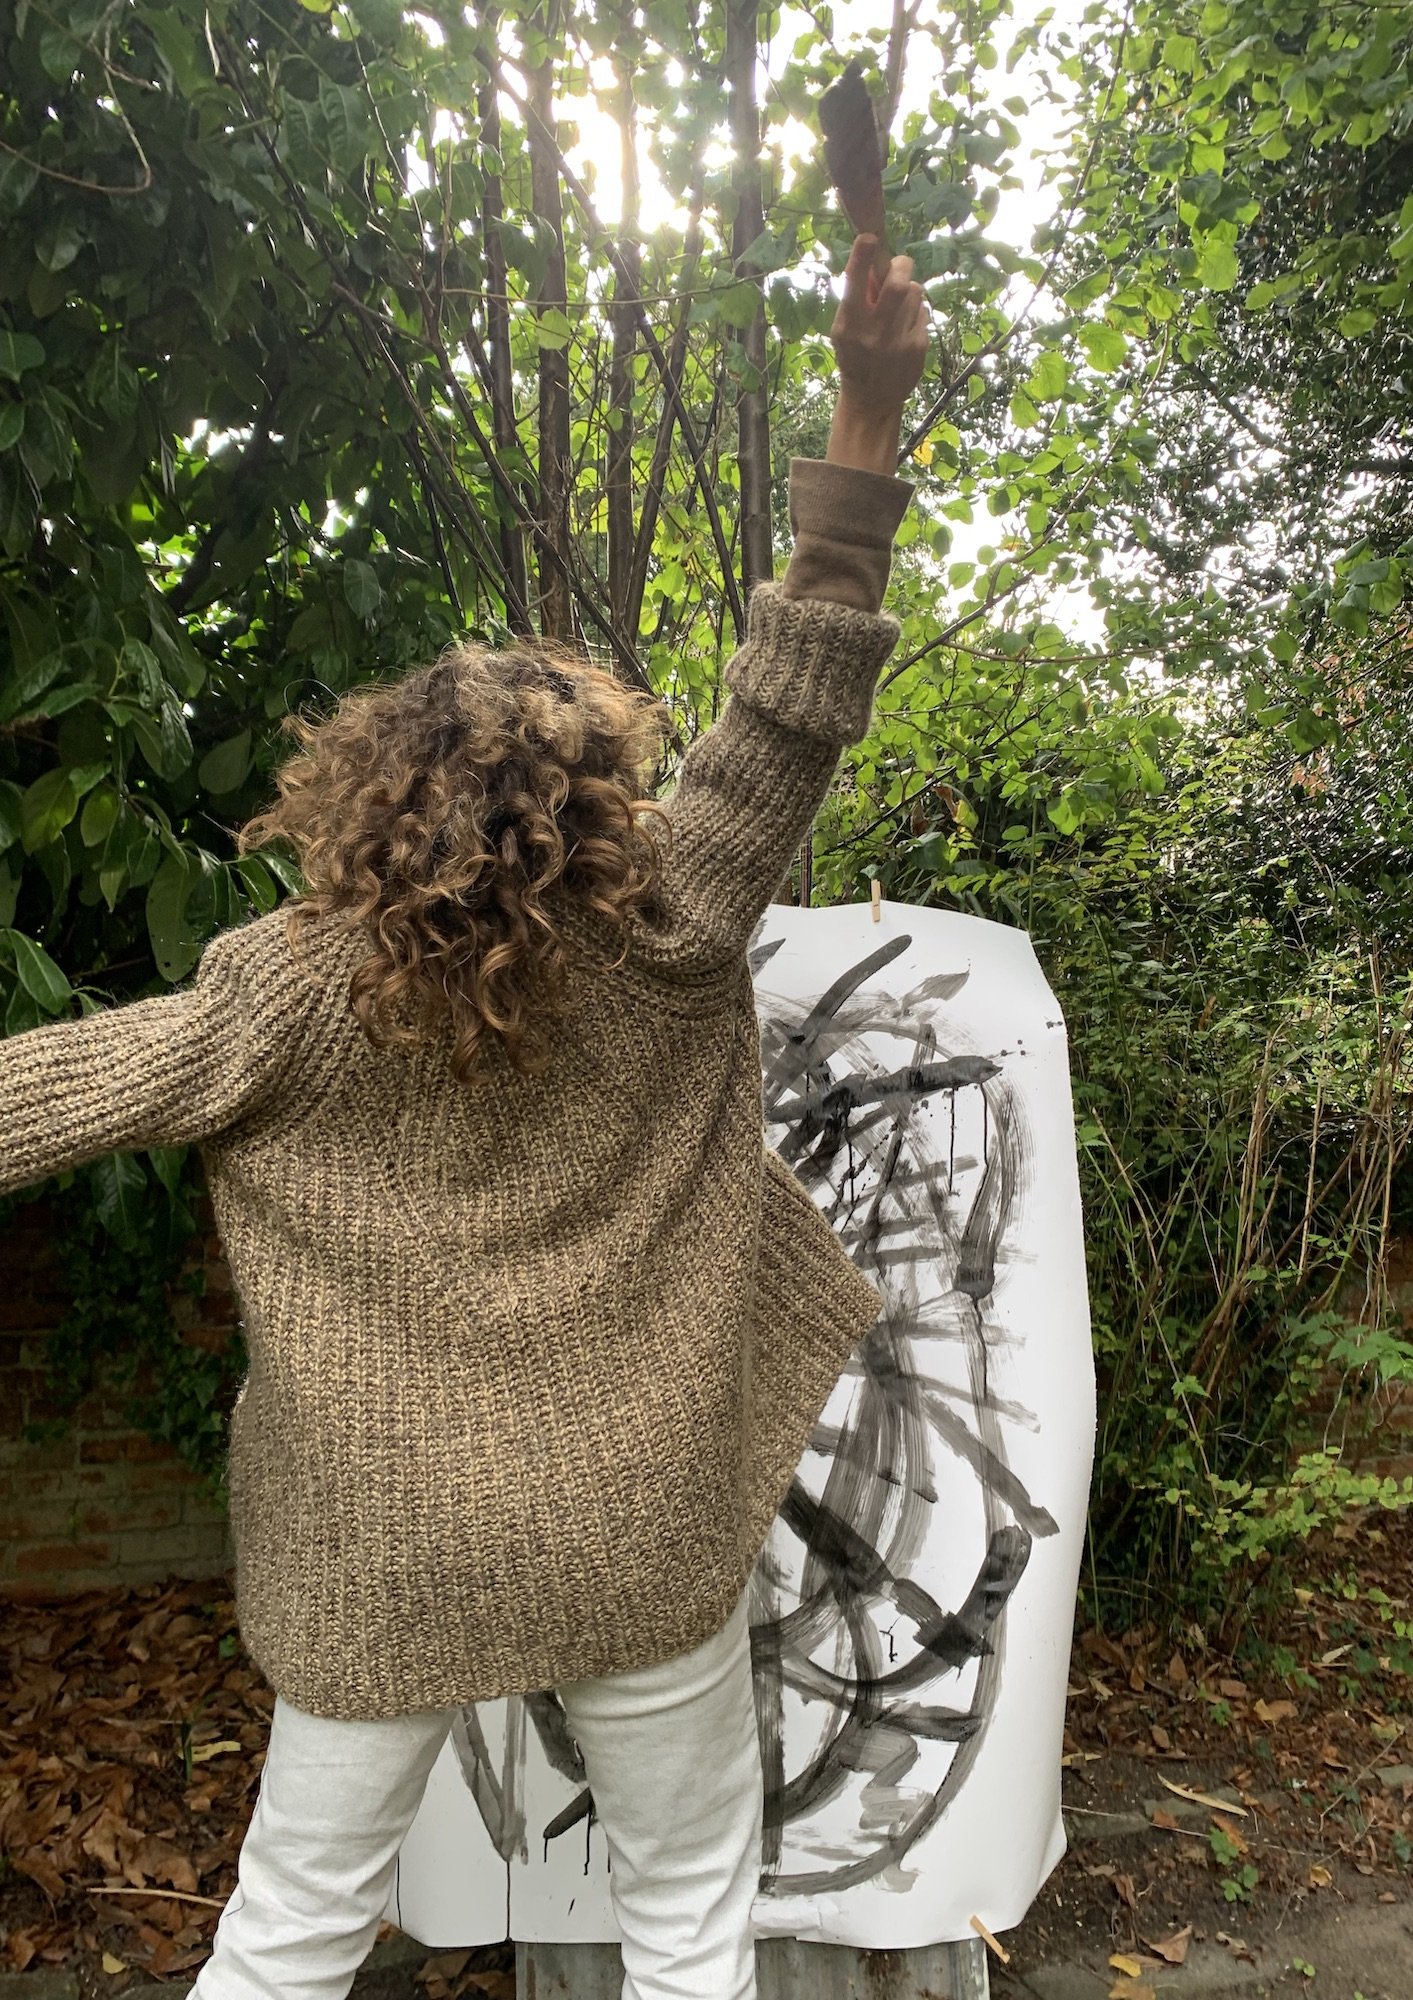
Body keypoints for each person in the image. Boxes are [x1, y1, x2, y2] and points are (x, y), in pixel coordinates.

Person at [0, 232, 928, 2000]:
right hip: (640, 1522)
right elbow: (793, 694)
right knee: (684, 1920)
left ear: (367, 799)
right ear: (593, 802)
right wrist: (866, 421)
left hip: (379, 1552)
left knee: (287, 1930)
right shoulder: (673, 931)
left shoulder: (279, 994)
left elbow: (35, 1093)